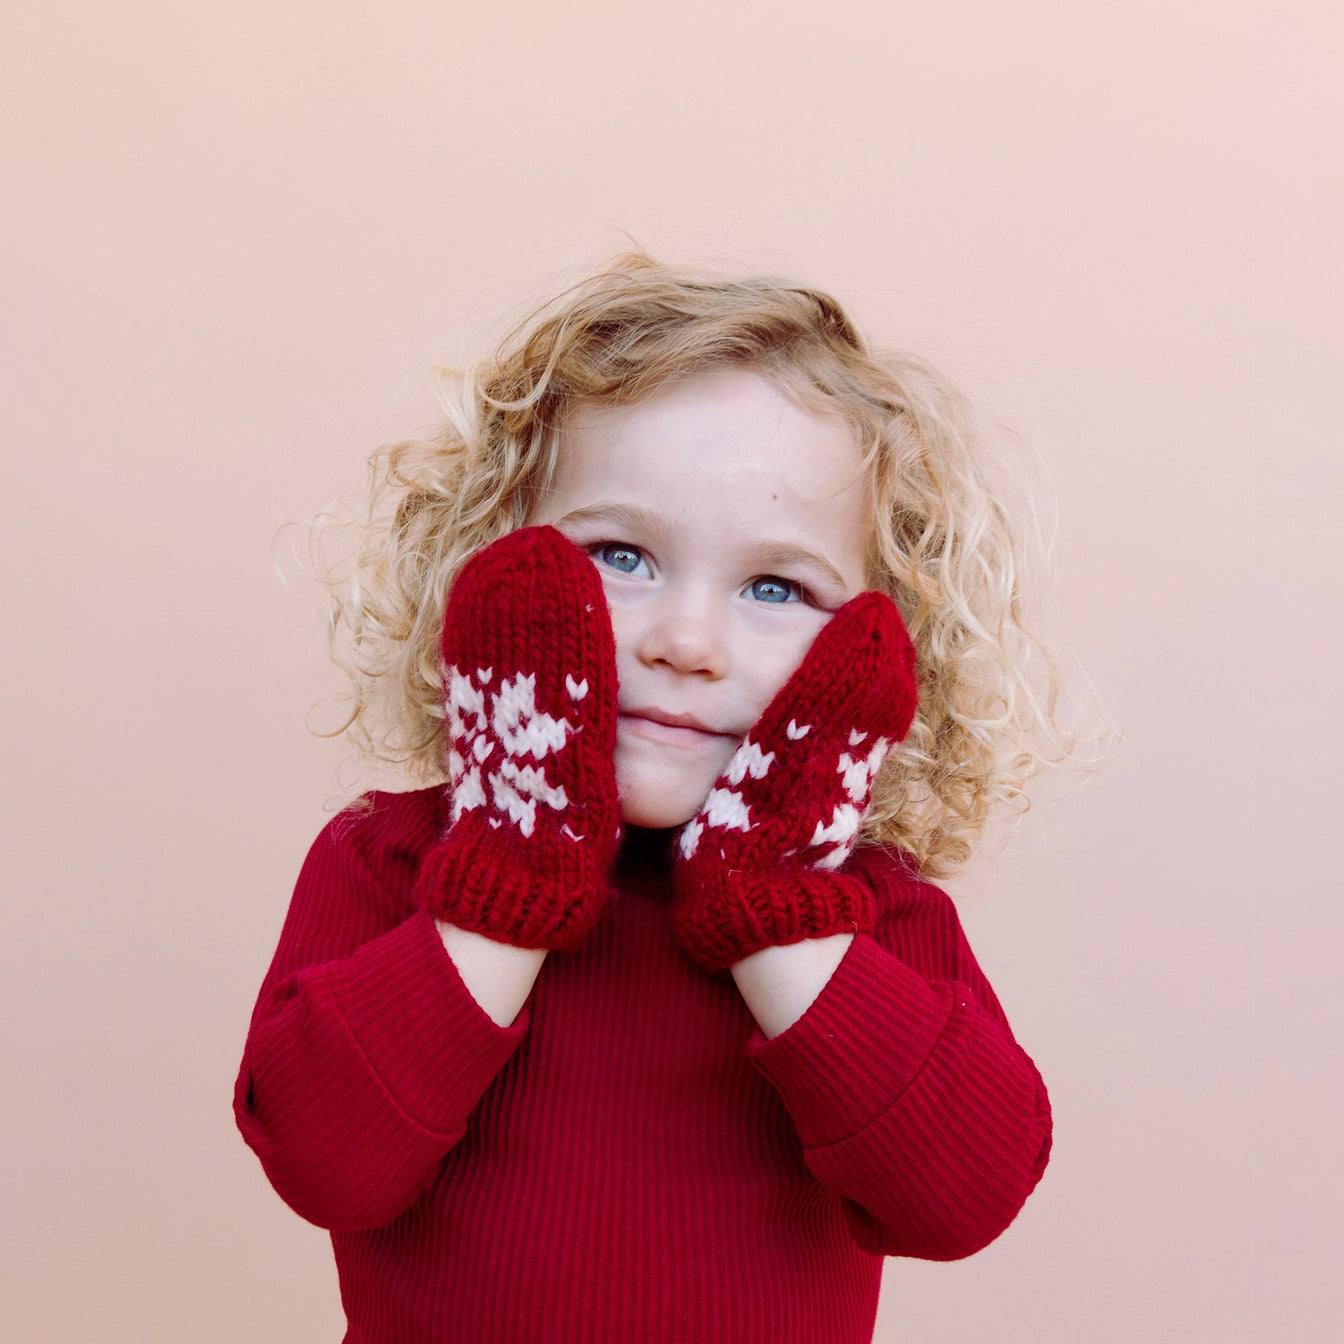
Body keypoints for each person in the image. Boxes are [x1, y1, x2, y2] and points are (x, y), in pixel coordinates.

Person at [235, 252, 1078, 1343]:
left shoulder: (873, 915)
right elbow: (323, 1162)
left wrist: (770, 905)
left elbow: (961, 1196)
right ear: (489, 562)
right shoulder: (391, 863)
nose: (685, 642)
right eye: (621, 555)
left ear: (878, 638)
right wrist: (510, 873)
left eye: (776, 587)